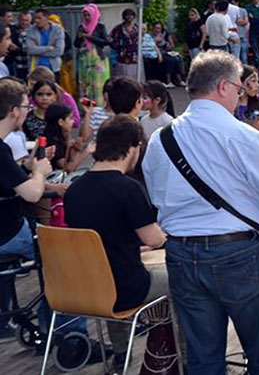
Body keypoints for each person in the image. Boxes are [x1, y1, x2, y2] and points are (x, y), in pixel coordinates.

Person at [143, 50, 259, 374]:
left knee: (202, 358)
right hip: (239, 252)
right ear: (222, 87)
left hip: (181, 252)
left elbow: (158, 198)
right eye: (238, 88)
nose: (239, 95)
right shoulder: (242, 135)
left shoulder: (161, 139)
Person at [63, 114, 179, 366]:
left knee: (114, 273)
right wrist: (165, 233)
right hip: (126, 288)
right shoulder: (127, 188)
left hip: (87, 286)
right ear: (132, 148)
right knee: (186, 279)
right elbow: (154, 238)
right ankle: (186, 360)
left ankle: (120, 354)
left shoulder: (74, 190)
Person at [0, 79, 53, 339]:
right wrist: (40, 173)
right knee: (65, 257)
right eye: (25, 105)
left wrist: (29, 168)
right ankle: (61, 329)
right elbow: (33, 194)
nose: (27, 110)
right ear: (13, 111)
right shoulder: (1, 149)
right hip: (8, 233)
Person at [74, 3, 111, 103]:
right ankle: (85, 107)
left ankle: (99, 106)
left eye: (88, 15)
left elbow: (106, 41)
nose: (86, 17)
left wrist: (90, 37)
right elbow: (76, 44)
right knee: (84, 84)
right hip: (84, 60)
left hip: (97, 59)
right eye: (85, 15)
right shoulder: (81, 27)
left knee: (98, 84)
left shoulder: (100, 26)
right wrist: (80, 37)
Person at [25, 8, 65, 81]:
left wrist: (37, 50)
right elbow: (29, 49)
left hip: (53, 68)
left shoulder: (58, 29)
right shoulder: (31, 30)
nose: (36, 20)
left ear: (46, 18)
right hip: (36, 69)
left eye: (39, 18)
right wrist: (48, 48)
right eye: (35, 18)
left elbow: (59, 51)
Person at [236, 65, 259, 135]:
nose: (257, 85)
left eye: (258, 81)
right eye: (253, 81)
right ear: (241, 82)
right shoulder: (232, 103)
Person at [110, 8, 141, 79]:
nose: (129, 17)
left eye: (131, 15)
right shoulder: (118, 28)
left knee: (135, 74)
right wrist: (117, 47)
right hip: (122, 55)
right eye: (127, 15)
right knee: (122, 75)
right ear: (124, 16)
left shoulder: (136, 28)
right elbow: (110, 39)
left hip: (135, 55)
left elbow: (141, 38)